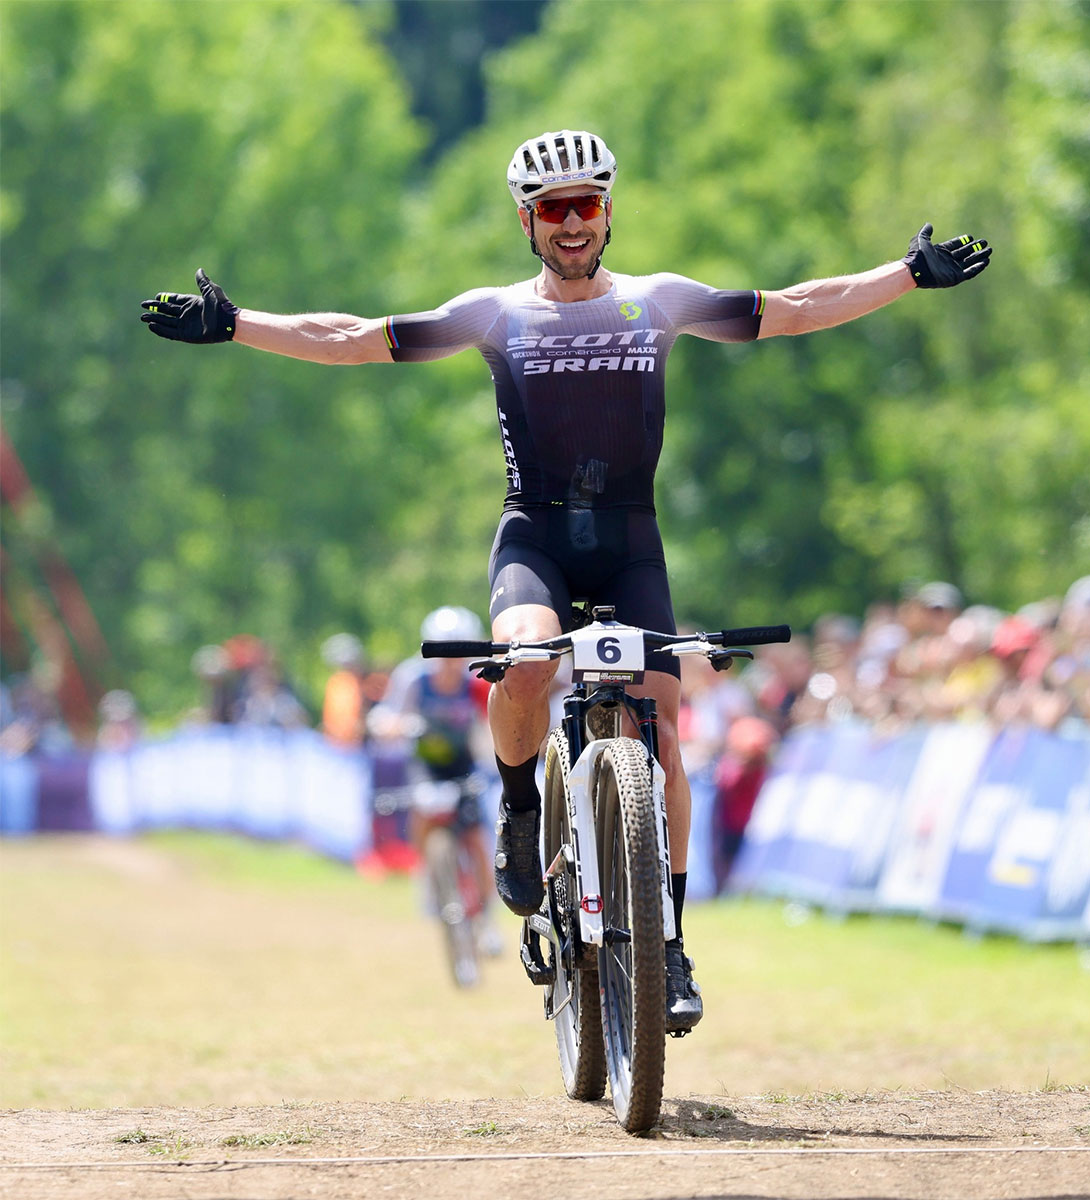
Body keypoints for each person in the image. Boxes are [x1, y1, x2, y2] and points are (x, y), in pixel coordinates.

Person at [141, 128, 992, 1032]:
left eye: (587, 204)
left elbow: (795, 307)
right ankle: (516, 807)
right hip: (536, 539)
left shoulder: (661, 302)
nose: (573, 222)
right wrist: (237, 325)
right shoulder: (493, 314)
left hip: (632, 546)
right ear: (528, 220)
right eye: (554, 209)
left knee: (663, 740)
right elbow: (350, 339)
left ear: (609, 211)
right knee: (525, 661)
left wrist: (906, 274)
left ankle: (665, 941)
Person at [375, 606, 501, 955]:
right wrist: (395, 727)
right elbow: (386, 717)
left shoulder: (475, 682)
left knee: (477, 839)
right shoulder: (413, 679)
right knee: (422, 814)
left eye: (458, 651)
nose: (451, 661)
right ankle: (428, 875)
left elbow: (493, 723)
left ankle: (487, 920)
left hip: (465, 765)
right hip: (426, 764)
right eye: (444, 651)